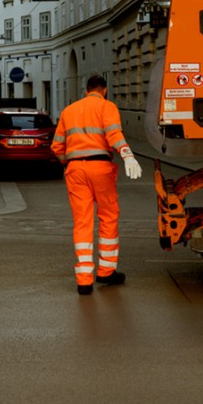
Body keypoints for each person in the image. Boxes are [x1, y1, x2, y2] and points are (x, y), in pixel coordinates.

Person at [51, 75, 142, 295]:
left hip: (75, 170)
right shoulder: (107, 106)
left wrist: (69, 164)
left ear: (86, 91)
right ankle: (106, 272)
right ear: (105, 90)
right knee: (108, 217)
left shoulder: (68, 111)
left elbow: (57, 147)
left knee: (82, 222)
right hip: (100, 167)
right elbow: (113, 134)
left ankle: (84, 281)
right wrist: (127, 155)